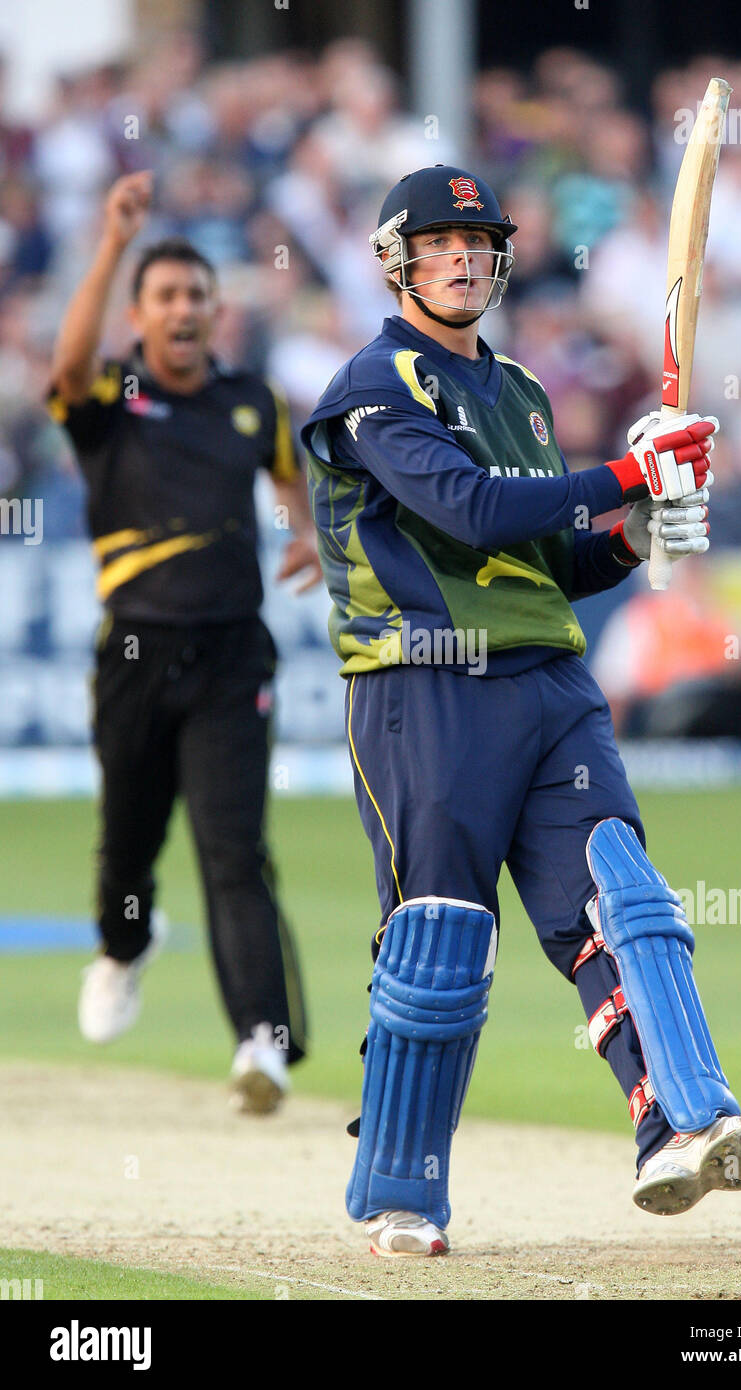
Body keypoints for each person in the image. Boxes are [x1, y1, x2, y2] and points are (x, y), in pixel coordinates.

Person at [301, 165, 741, 1255]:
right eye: (436, 243)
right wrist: (626, 466)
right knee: (439, 938)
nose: (461, 258)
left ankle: (675, 1123)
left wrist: (633, 531)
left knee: (621, 898)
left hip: (553, 683)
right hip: (422, 680)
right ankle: (398, 1191)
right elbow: (468, 512)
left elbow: (544, 559)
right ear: (395, 262)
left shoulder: (516, 388)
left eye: (476, 241)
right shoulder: (375, 385)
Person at [48, 171, 319, 1113]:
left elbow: (294, 480)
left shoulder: (252, 401)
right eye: (165, 297)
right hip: (132, 654)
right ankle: (125, 946)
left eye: (197, 296)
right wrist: (113, 242)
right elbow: (64, 364)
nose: (184, 310)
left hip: (231, 655)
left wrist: (306, 530)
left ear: (214, 312)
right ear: (141, 315)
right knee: (127, 845)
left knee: (233, 851)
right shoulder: (110, 398)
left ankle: (263, 1041)